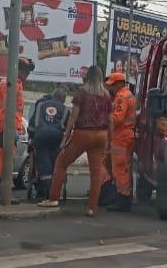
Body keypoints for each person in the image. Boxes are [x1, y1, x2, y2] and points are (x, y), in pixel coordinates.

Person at [38, 66, 112, 216]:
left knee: (61, 163)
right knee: (96, 172)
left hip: (82, 134)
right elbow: (111, 120)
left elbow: (73, 116)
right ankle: (91, 208)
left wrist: (66, 135)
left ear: (88, 77)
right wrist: (110, 139)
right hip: (101, 135)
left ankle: (53, 198)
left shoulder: (82, 93)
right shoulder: (106, 95)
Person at [0, 57, 35, 203]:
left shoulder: (12, 84)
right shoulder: (11, 84)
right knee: (0, 164)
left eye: (28, 72)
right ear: (17, 69)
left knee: (0, 163)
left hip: (4, 127)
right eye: (25, 70)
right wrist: (7, 129)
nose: (27, 74)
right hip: (4, 128)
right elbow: (7, 109)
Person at [101, 73, 137, 212]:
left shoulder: (122, 97)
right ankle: (123, 196)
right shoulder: (128, 95)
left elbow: (117, 119)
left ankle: (123, 198)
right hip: (124, 136)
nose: (110, 88)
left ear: (119, 84)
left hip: (121, 136)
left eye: (112, 85)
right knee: (123, 168)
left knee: (120, 169)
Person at [32, 88, 68, 199]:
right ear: (63, 99)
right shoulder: (65, 110)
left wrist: (32, 136)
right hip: (57, 138)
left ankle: (43, 190)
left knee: (43, 162)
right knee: (55, 162)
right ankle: (54, 188)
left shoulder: (41, 105)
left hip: (41, 137)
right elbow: (67, 129)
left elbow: (34, 123)